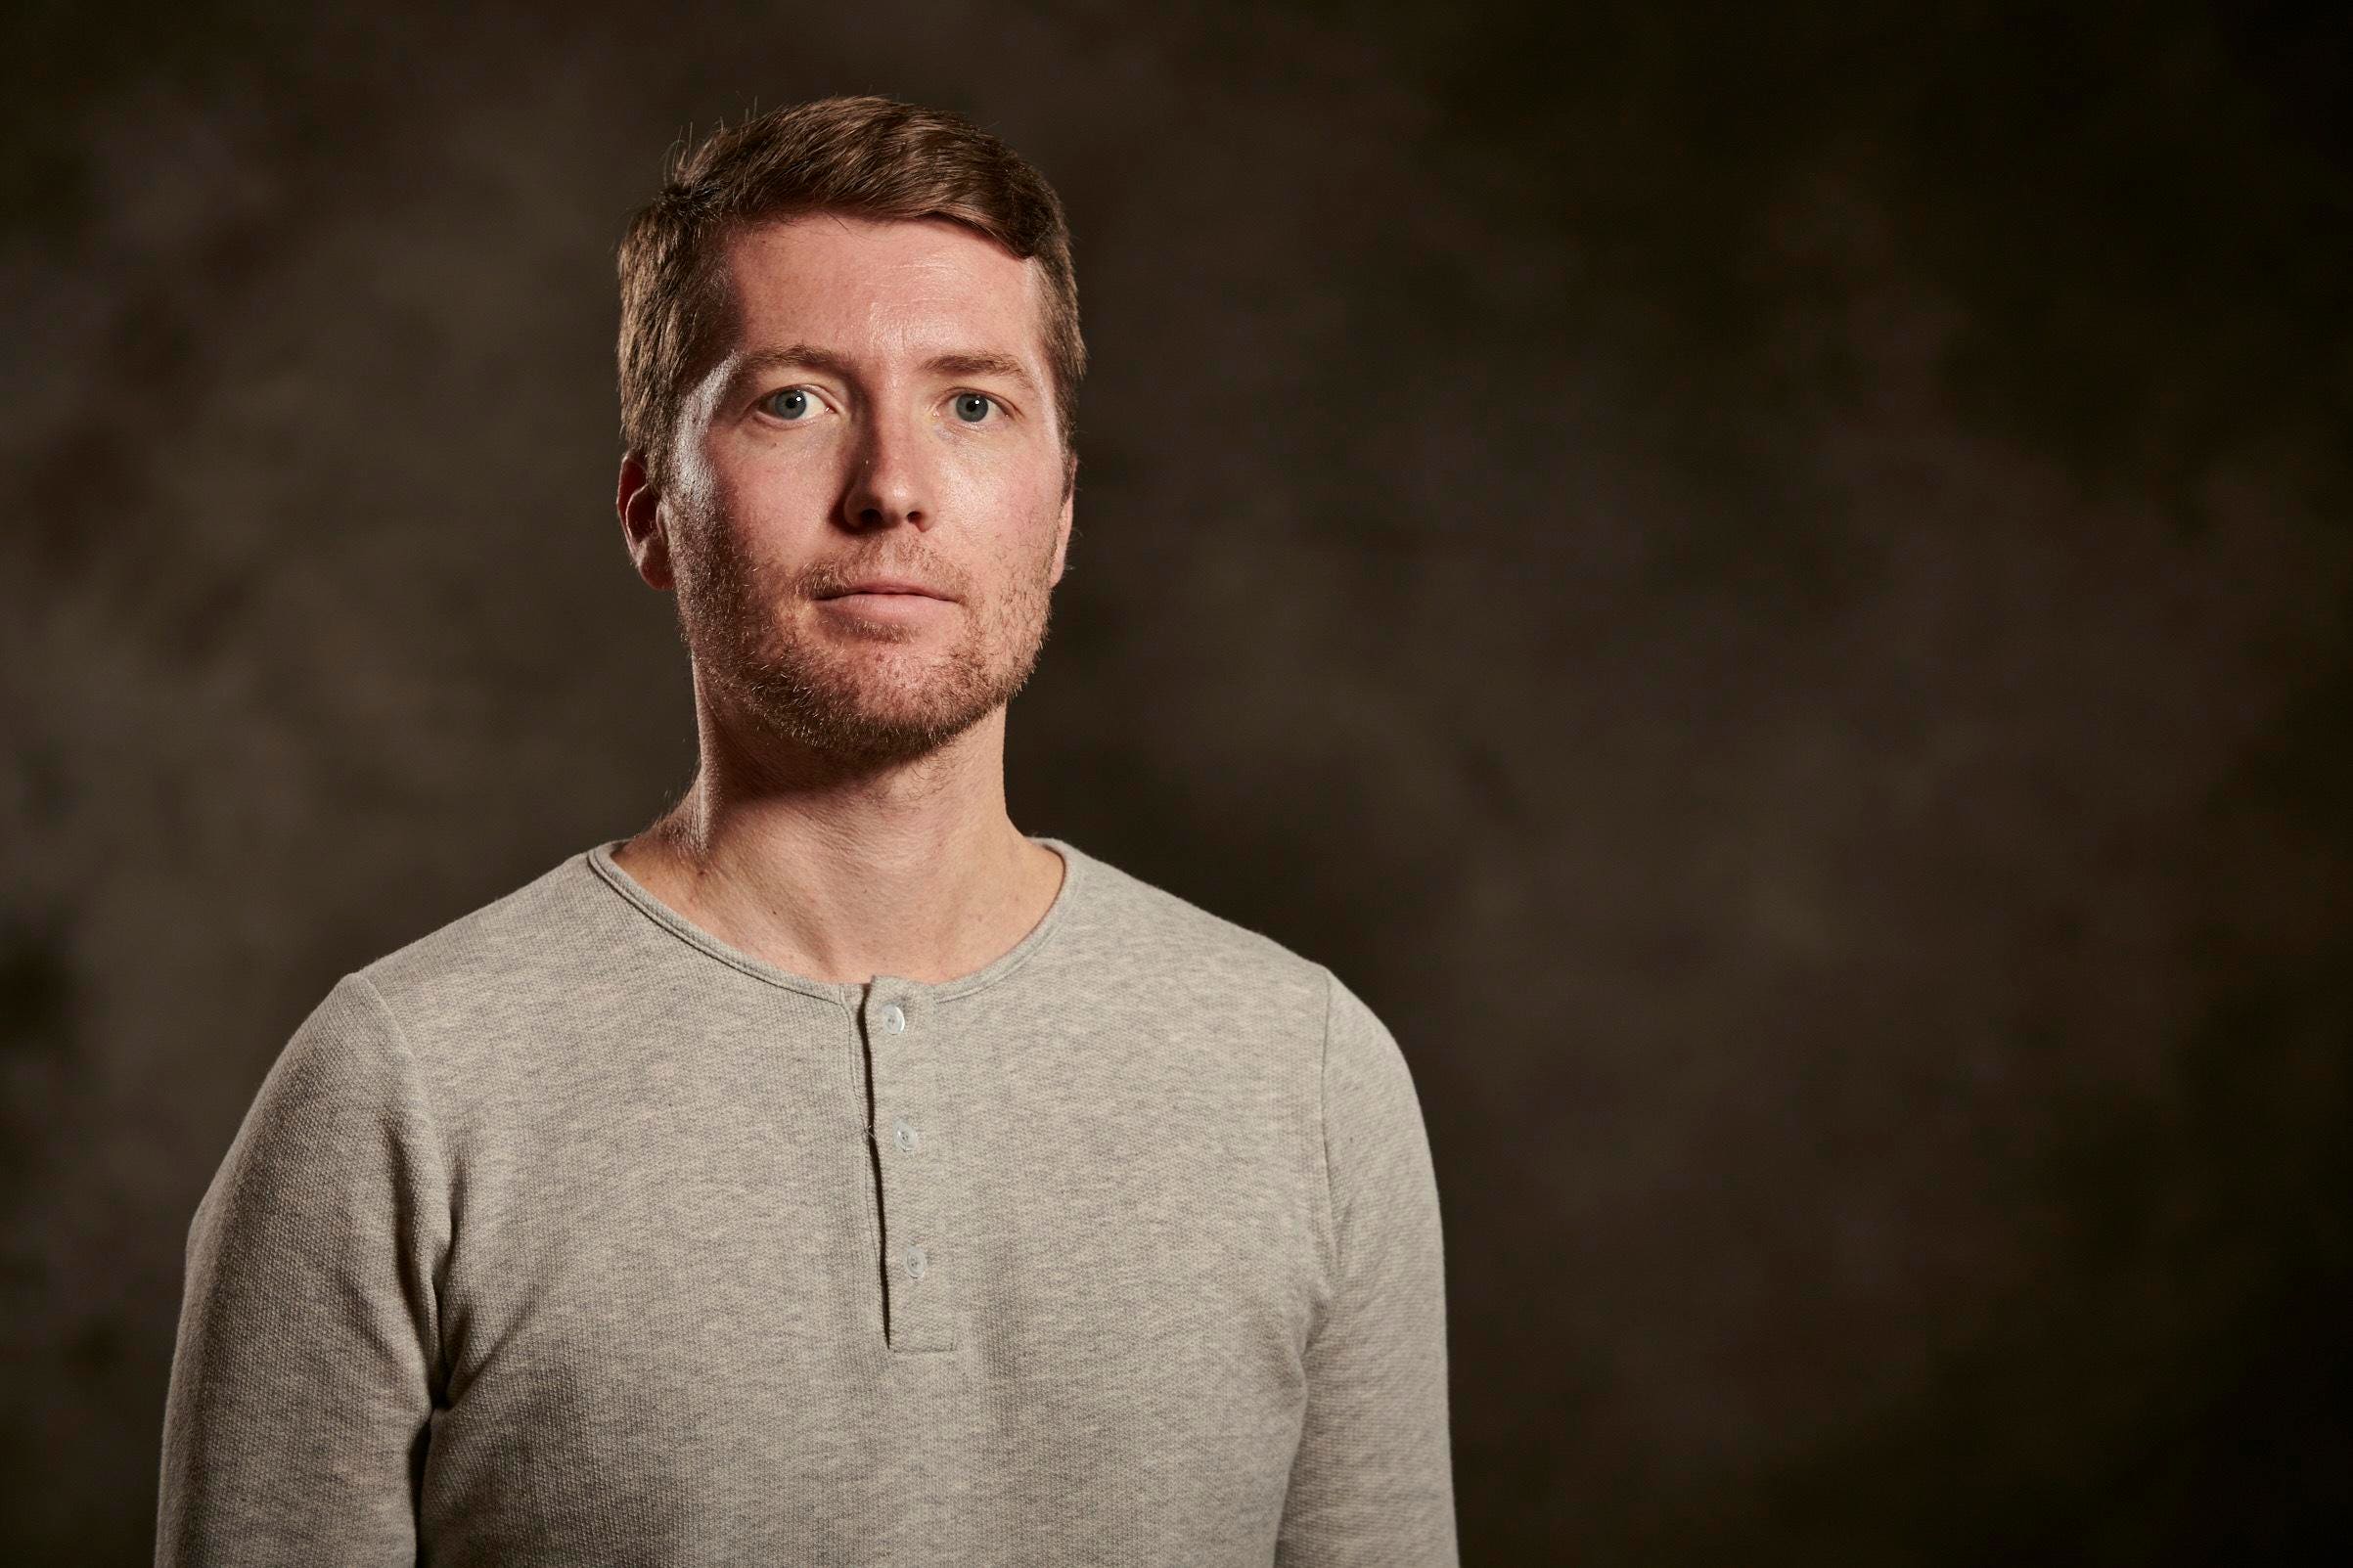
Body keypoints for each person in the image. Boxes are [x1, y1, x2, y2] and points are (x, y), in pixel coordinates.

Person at [156, 94, 1455, 1567]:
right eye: (793, 401)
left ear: (1061, 514)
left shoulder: (1310, 1073)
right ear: (650, 509)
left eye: (973, 403)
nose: (890, 488)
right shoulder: (400, 1090)